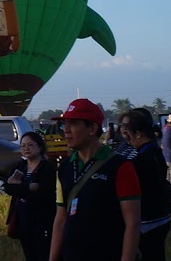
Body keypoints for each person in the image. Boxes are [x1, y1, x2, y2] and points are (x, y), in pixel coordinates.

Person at [49, 98, 139, 261]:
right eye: (64, 124)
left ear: (92, 128)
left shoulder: (120, 166)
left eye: (73, 123)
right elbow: (61, 217)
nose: (66, 130)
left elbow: (132, 223)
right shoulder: (65, 168)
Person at [115, 109, 171, 261]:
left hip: (149, 221)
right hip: (162, 216)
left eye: (130, 132)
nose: (129, 138)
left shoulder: (140, 160)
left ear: (139, 134)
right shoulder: (155, 152)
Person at [5, 130, 58, 261]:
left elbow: (43, 194)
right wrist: (28, 187)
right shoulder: (20, 166)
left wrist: (18, 187)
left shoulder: (47, 168)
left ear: (40, 146)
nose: (26, 149)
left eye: (30, 145)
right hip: (22, 220)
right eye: (23, 146)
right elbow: (8, 188)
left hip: (42, 221)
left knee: (42, 253)